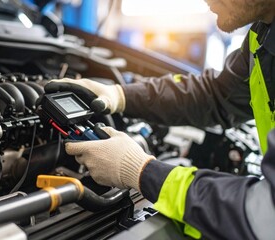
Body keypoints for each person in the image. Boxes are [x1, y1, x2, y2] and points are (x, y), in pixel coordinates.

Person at [44, 0, 275, 239]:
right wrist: (121, 96)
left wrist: (141, 172)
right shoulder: (263, 33)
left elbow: (263, 218)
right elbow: (217, 95)